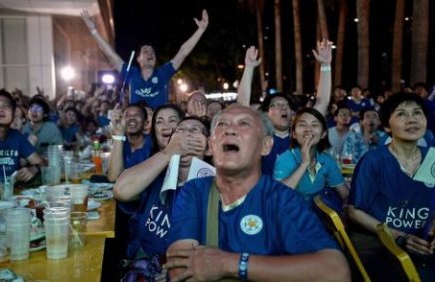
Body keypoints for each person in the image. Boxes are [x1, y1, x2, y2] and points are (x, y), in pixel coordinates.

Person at [165, 105, 350, 281]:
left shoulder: (281, 199)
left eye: (244, 123)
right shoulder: (194, 191)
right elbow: (179, 271)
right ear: (211, 146)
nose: (229, 130)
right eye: (222, 124)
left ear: (266, 146)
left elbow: (337, 271)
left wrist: (230, 263)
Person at [348, 92, 435, 281]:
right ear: (387, 126)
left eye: (417, 113)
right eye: (402, 114)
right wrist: (398, 235)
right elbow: (354, 211)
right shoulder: (374, 161)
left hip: (423, 245)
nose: (411, 119)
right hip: (383, 245)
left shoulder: (432, 158)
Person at [114, 107, 209, 279]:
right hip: (143, 264)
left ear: (209, 146)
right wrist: (168, 152)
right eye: (180, 132)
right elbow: (121, 190)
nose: (186, 136)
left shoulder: (216, 187)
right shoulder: (157, 175)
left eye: (194, 131)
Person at [237, 40, 334, 175]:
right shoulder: (259, 137)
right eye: (275, 105)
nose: (283, 107)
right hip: (269, 195)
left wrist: (325, 65)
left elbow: (322, 102)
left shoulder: (301, 135)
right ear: (266, 114)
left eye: (286, 105)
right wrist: (249, 68)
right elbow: (242, 106)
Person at [81, 9, 209, 109]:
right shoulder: (130, 73)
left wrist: (201, 30)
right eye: (146, 51)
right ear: (138, 59)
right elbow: (110, 54)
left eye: (152, 51)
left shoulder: (163, 73)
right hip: (138, 127)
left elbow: (183, 52)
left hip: (158, 128)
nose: (150, 53)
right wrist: (93, 30)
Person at [273, 108, 349, 203]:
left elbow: (345, 194)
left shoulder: (327, 160)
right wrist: (304, 164)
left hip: (318, 214)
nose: (308, 129)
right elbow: (278, 196)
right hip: (290, 214)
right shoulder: (285, 159)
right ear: (294, 134)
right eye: (302, 124)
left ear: (323, 134)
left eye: (314, 125)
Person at [106, 103, 153, 182]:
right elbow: (113, 177)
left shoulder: (153, 144)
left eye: (137, 115)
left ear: (145, 122)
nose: (132, 118)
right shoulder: (120, 143)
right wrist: (119, 133)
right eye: (127, 115)